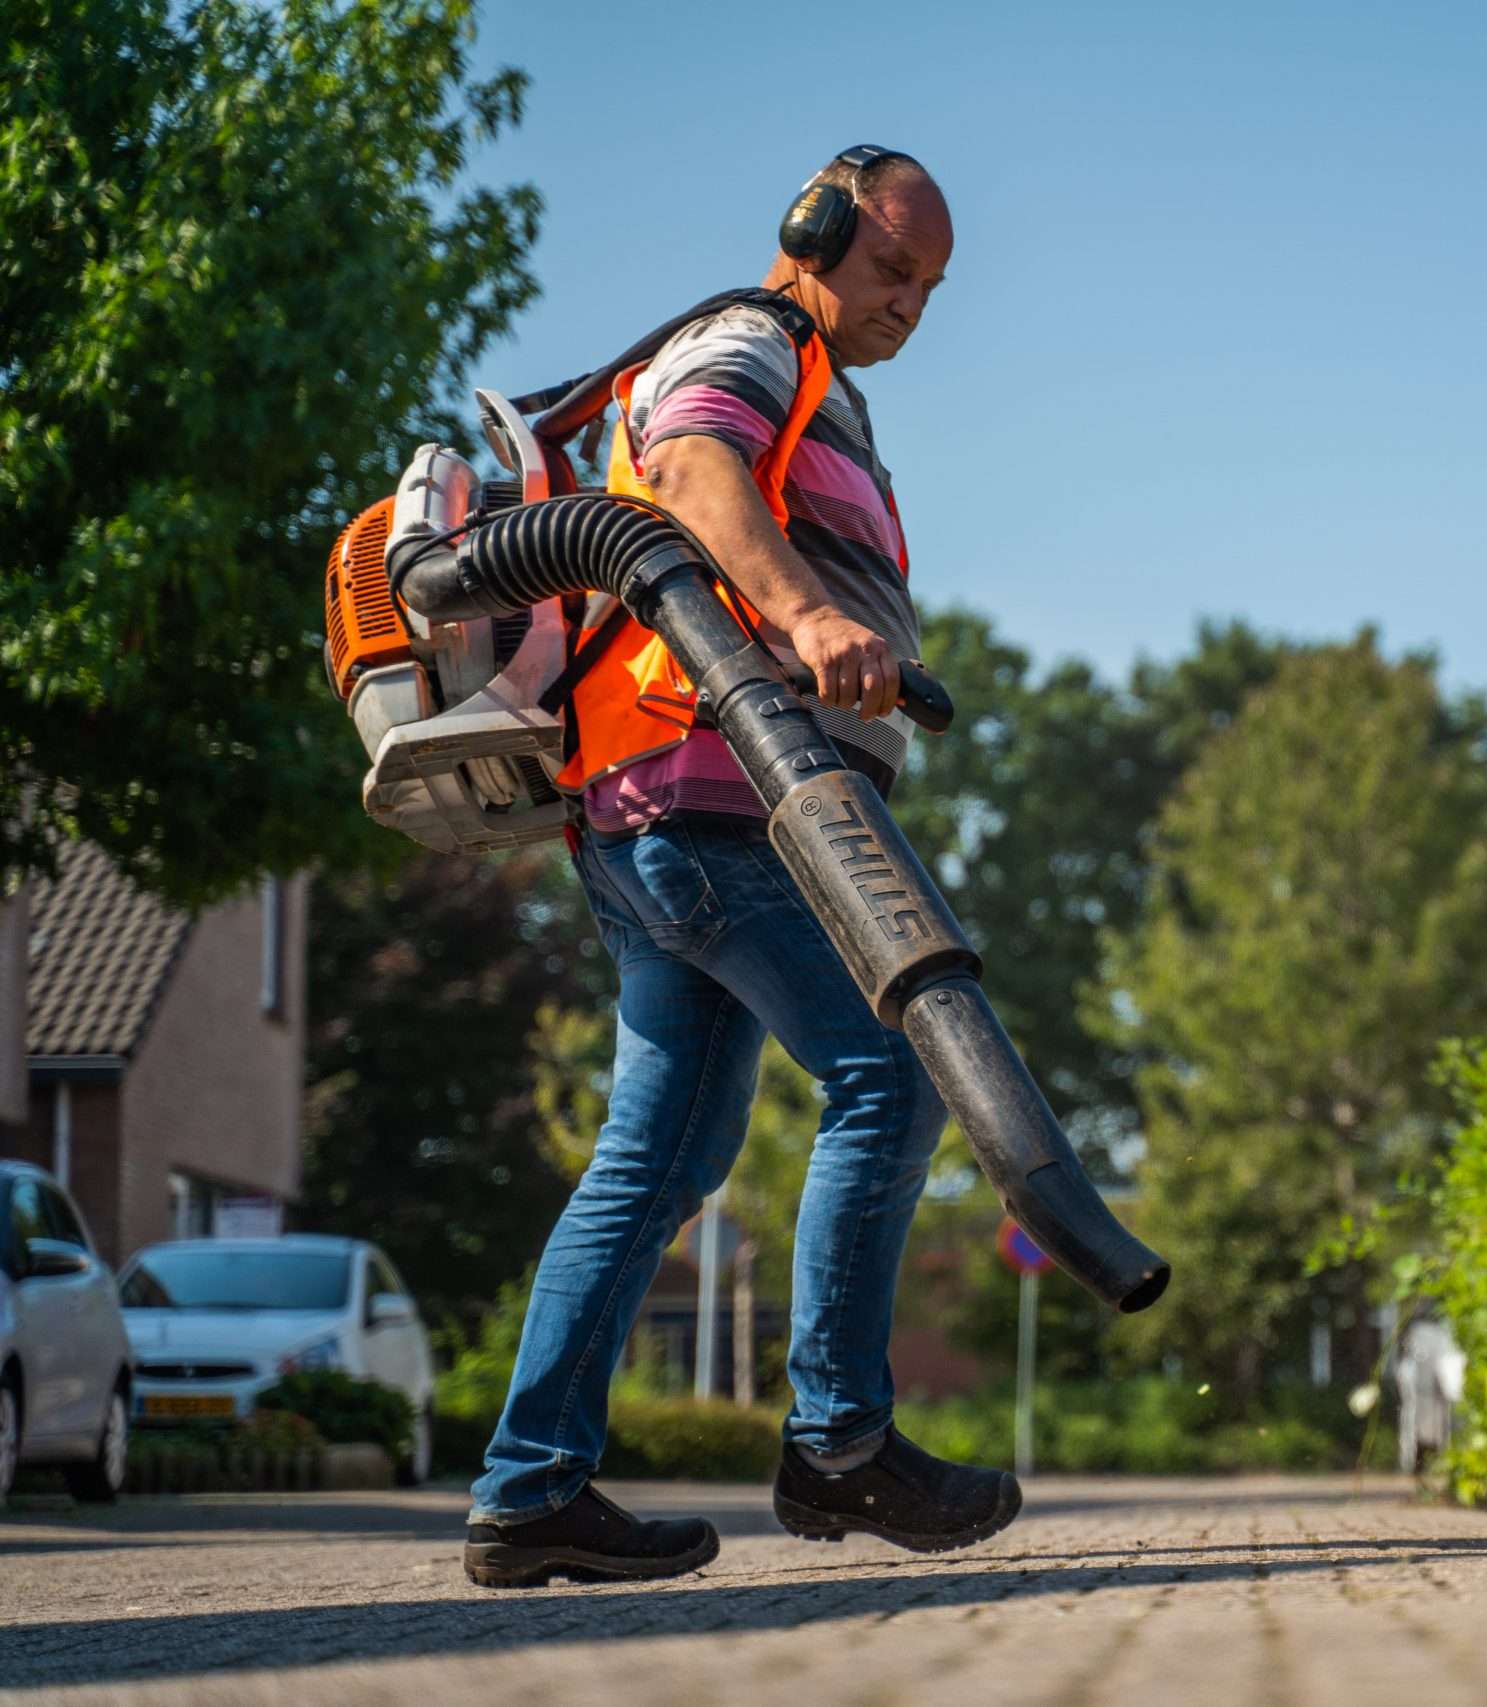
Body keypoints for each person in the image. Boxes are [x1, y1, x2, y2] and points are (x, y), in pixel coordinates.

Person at [462, 147, 1018, 1590]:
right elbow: (698, 466)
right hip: (713, 802)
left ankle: (531, 1492)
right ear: (814, 231)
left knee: (658, 1159)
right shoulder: (750, 341)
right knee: (890, 1077)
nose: (908, 304)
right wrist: (809, 613)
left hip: (664, 809)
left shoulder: (824, 384)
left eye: (931, 287)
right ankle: (840, 1443)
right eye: (891, 267)